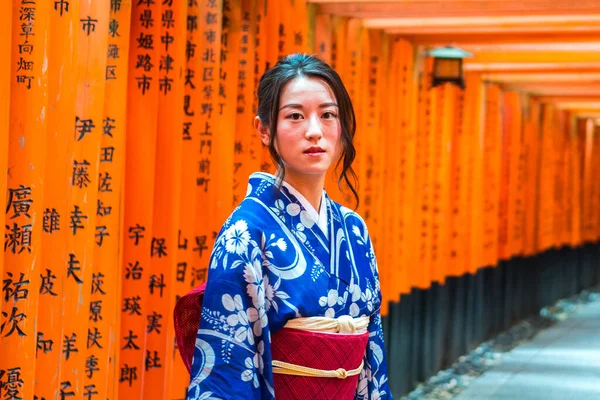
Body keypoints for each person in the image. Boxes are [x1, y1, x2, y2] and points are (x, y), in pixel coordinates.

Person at [176, 53, 392, 400]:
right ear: (264, 129)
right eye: (295, 116)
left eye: (327, 115)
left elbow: (373, 355)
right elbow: (230, 365)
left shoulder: (353, 229)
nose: (314, 131)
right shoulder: (246, 232)